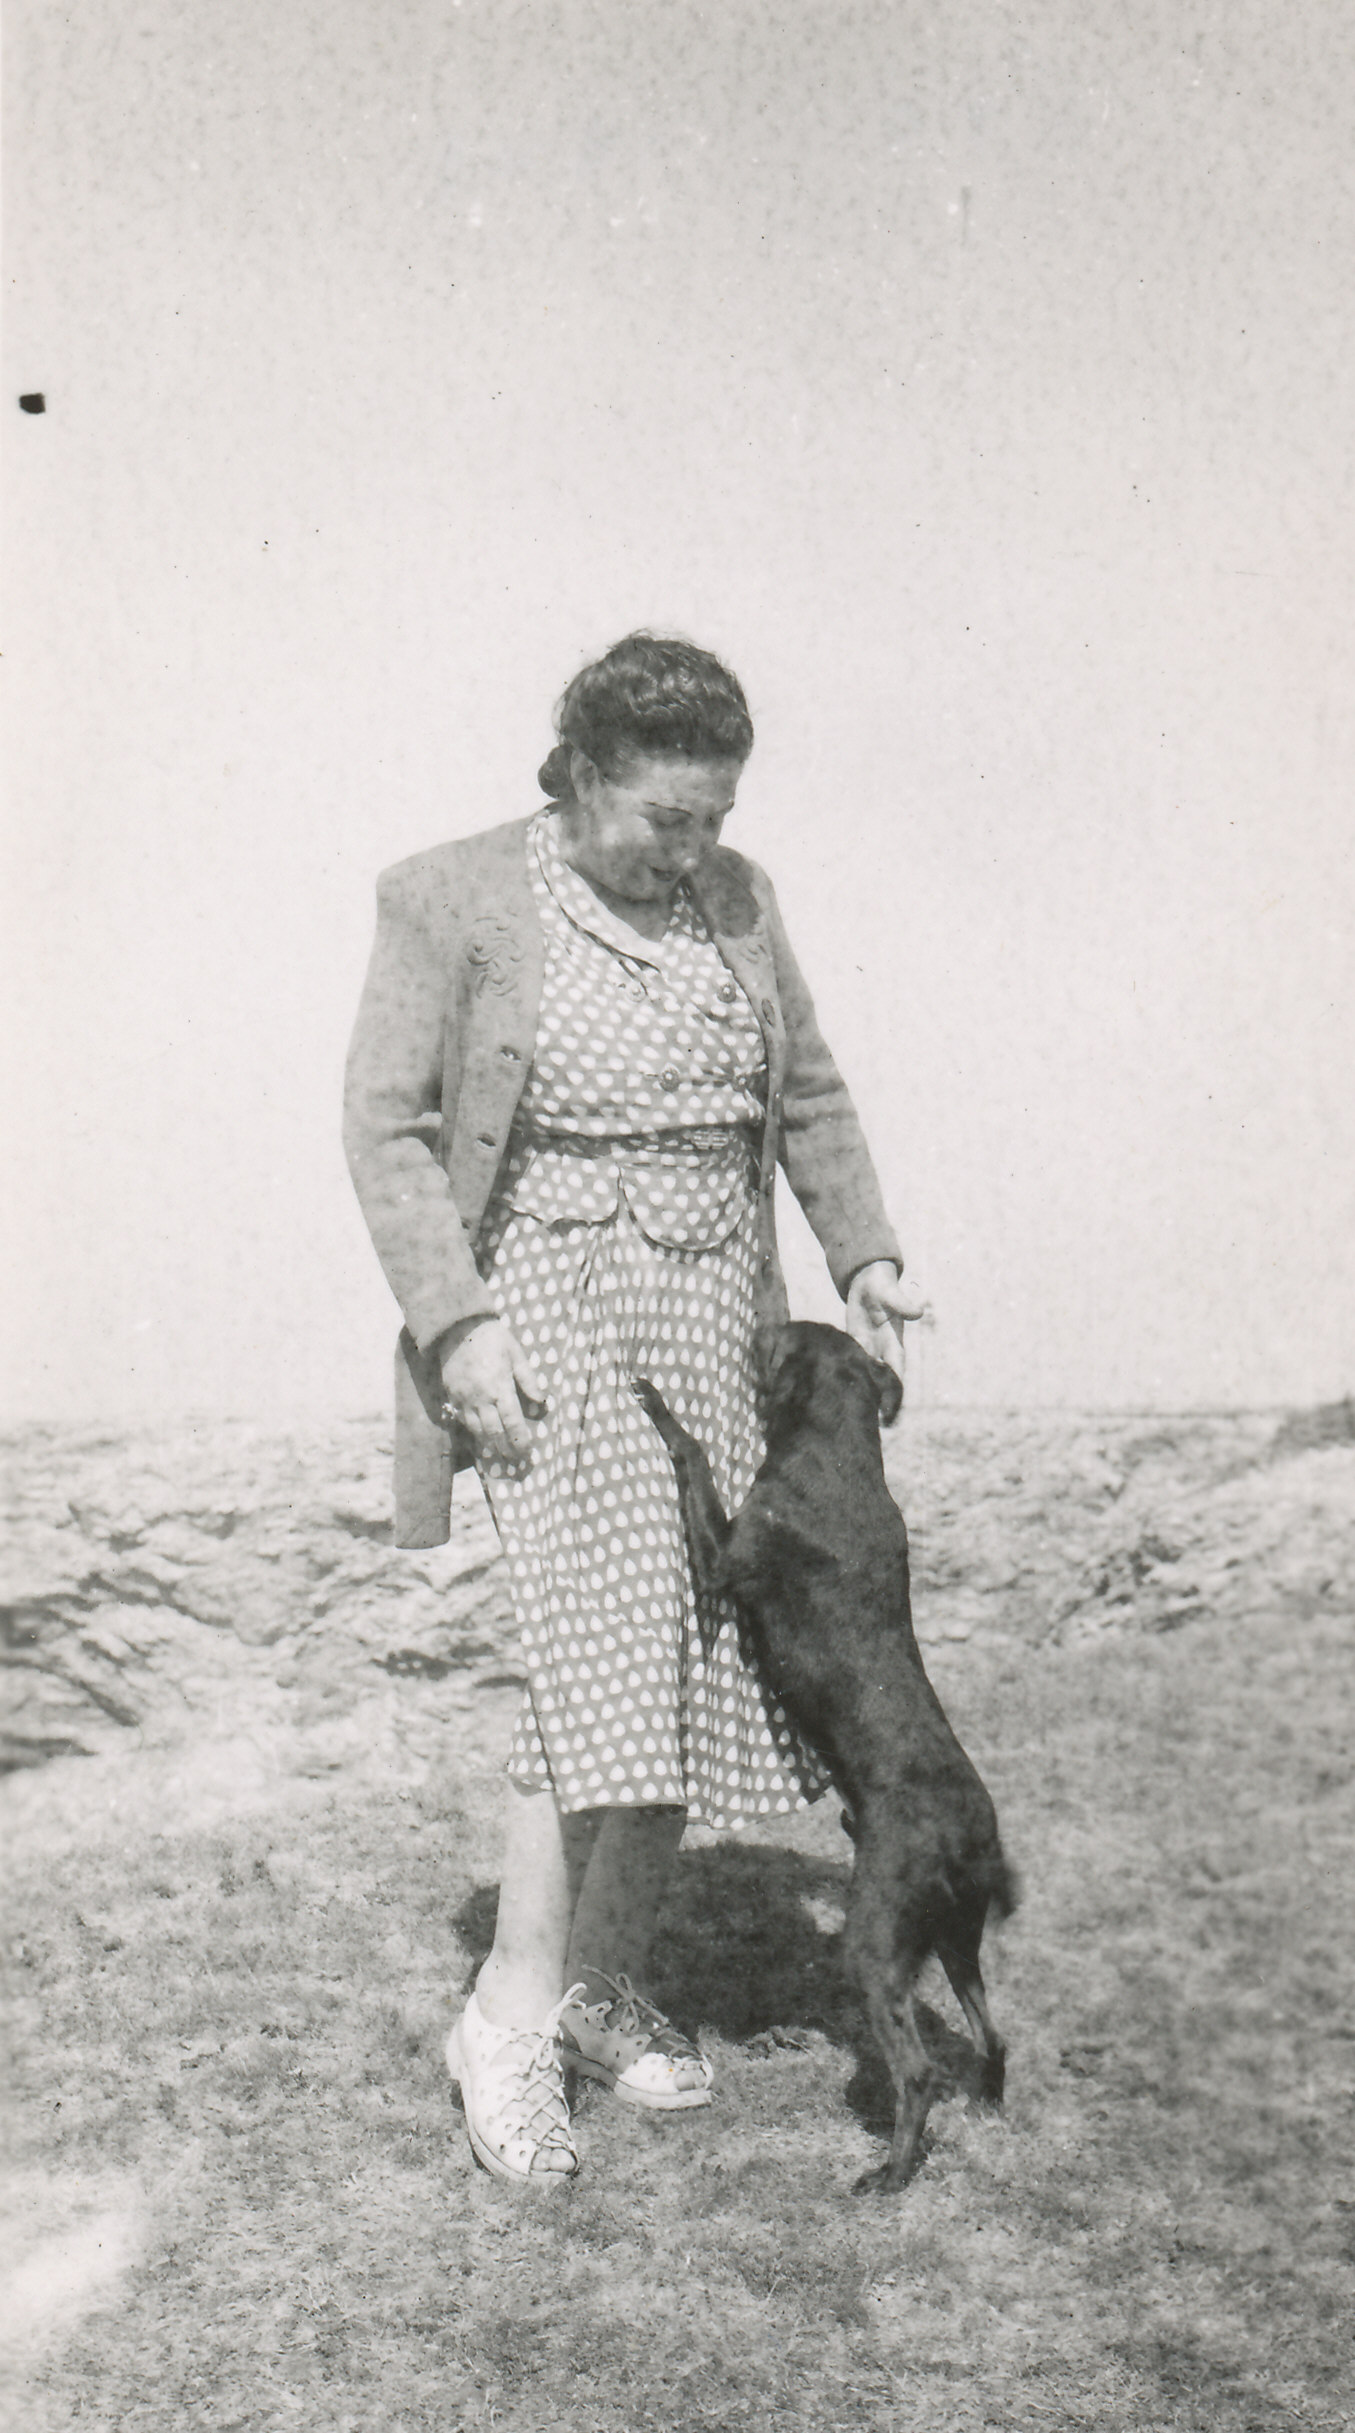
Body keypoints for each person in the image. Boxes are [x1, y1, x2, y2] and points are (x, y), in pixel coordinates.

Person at [344, 632, 922, 2182]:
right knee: (596, 1634)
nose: (695, 848)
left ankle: (598, 1977)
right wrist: (457, 1324)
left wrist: (862, 1253)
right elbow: (388, 1128)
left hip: (709, 1305)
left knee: (687, 1644)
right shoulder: (450, 895)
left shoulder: (742, 902)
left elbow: (806, 1090)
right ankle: (510, 2015)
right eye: (666, 816)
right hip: (540, 1301)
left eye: (716, 816)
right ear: (583, 773)